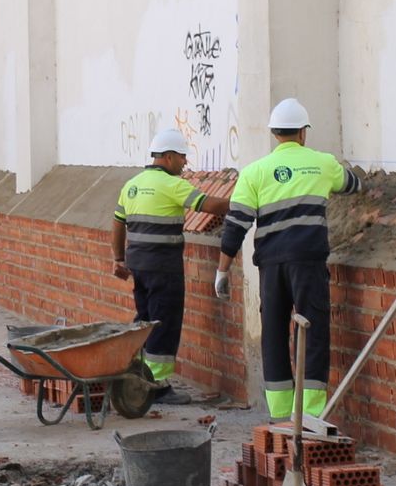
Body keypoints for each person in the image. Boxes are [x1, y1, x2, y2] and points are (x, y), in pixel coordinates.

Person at [215, 98, 360, 423]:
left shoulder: (254, 172)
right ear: (303, 133)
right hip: (308, 261)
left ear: (274, 134)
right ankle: (309, 415)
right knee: (313, 330)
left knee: (274, 332)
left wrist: (222, 271)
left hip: (271, 265)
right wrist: (360, 182)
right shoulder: (322, 163)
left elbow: (235, 225)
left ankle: (281, 414)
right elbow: (350, 184)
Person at [112, 129, 230, 404]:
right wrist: (244, 203)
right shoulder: (172, 185)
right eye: (181, 156)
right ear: (167, 157)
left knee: (144, 321)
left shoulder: (132, 185)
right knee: (164, 324)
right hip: (164, 268)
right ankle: (158, 387)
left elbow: (117, 222)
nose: (185, 162)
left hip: (138, 266)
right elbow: (210, 206)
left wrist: (118, 259)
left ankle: (137, 377)